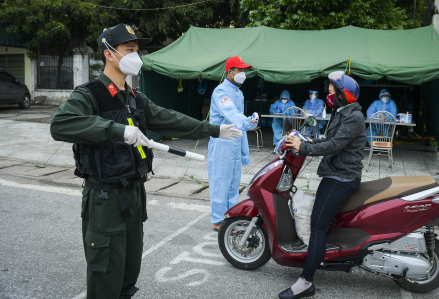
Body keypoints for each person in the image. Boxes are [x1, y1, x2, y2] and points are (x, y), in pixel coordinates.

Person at [50, 24, 242, 299]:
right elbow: (60, 125)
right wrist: (117, 130)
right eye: (129, 50)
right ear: (109, 54)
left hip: (134, 194)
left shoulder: (134, 97)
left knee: (128, 275)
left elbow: (170, 119)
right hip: (105, 198)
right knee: (105, 276)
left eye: (137, 51)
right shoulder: (90, 94)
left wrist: (214, 129)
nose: (136, 57)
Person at [280, 71, 366, 299]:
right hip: (335, 173)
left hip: (342, 177)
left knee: (317, 226)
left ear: (341, 94)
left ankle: (305, 282)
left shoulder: (353, 117)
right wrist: (306, 140)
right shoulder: (342, 112)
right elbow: (329, 140)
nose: (328, 96)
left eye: (330, 93)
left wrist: (304, 148)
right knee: (320, 223)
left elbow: (335, 145)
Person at [208, 56, 258, 231]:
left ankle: (231, 215)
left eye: (244, 70)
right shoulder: (221, 92)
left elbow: (240, 121)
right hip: (222, 143)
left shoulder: (239, 92)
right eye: (240, 70)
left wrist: (244, 152)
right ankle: (217, 219)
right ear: (230, 72)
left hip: (235, 143)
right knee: (220, 182)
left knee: (233, 183)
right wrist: (246, 122)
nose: (243, 74)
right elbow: (231, 113)